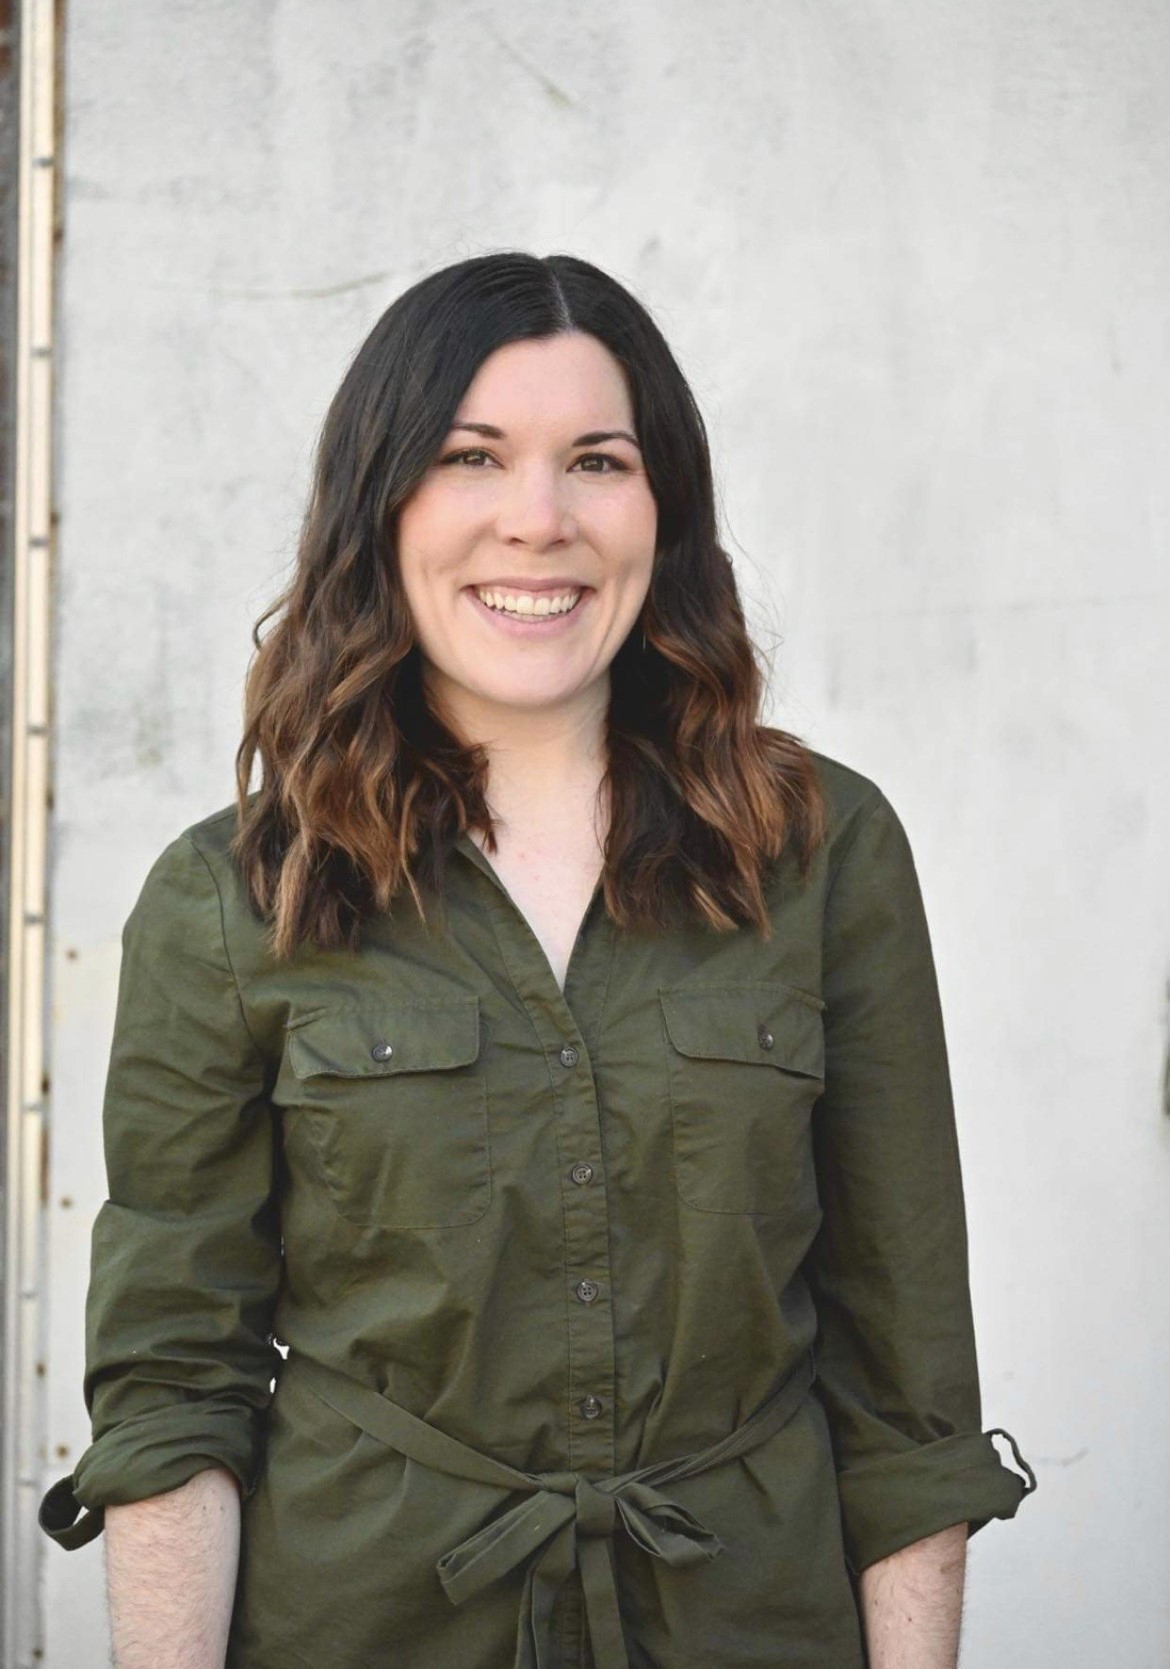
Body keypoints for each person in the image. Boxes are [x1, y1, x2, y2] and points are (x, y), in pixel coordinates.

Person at [39, 251, 1035, 1669]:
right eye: (473, 456)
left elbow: (905, 1379)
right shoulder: (235, 895)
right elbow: (173, 1385)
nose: (538, 519)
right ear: (382, 503)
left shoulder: (822, 851)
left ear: (663, 510)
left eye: (597, 461)